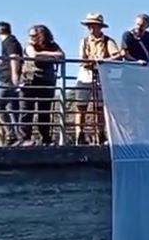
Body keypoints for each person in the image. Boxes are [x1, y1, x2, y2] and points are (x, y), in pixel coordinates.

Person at [73, 13, 120, 145]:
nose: (92, 28)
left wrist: (102, 61)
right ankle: (80, 134)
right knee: (81, 106)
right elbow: (82, 59)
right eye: (90, 26)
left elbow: (116, 55)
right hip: (85, 74)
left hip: (101, 75)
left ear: (100, 27)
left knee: (99, 107)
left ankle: (100, 133)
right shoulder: (84, 41)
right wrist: (91, 61)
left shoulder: (108, 41)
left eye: (94, 25)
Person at [21, 25, 64, 145]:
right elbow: (33, 55)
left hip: (46, 81)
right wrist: (50, 55)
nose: (31, 38)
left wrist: (44, 54)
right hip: (30, 80)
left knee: (44, 112)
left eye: (34, 35)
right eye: (30, 35)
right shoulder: (29, 45)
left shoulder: (52, 45)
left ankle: (46, 138)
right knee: (26, 111)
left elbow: (61, 55)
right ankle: (25, 139)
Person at [0, 21, 25, 145]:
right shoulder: (11, 42)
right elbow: (10, 60)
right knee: (12, 108)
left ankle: (11, 135)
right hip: (8, 78)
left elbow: (14, 58)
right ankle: (18, 136)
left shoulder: (10, 42)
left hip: (7, 80)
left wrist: (15, 77)